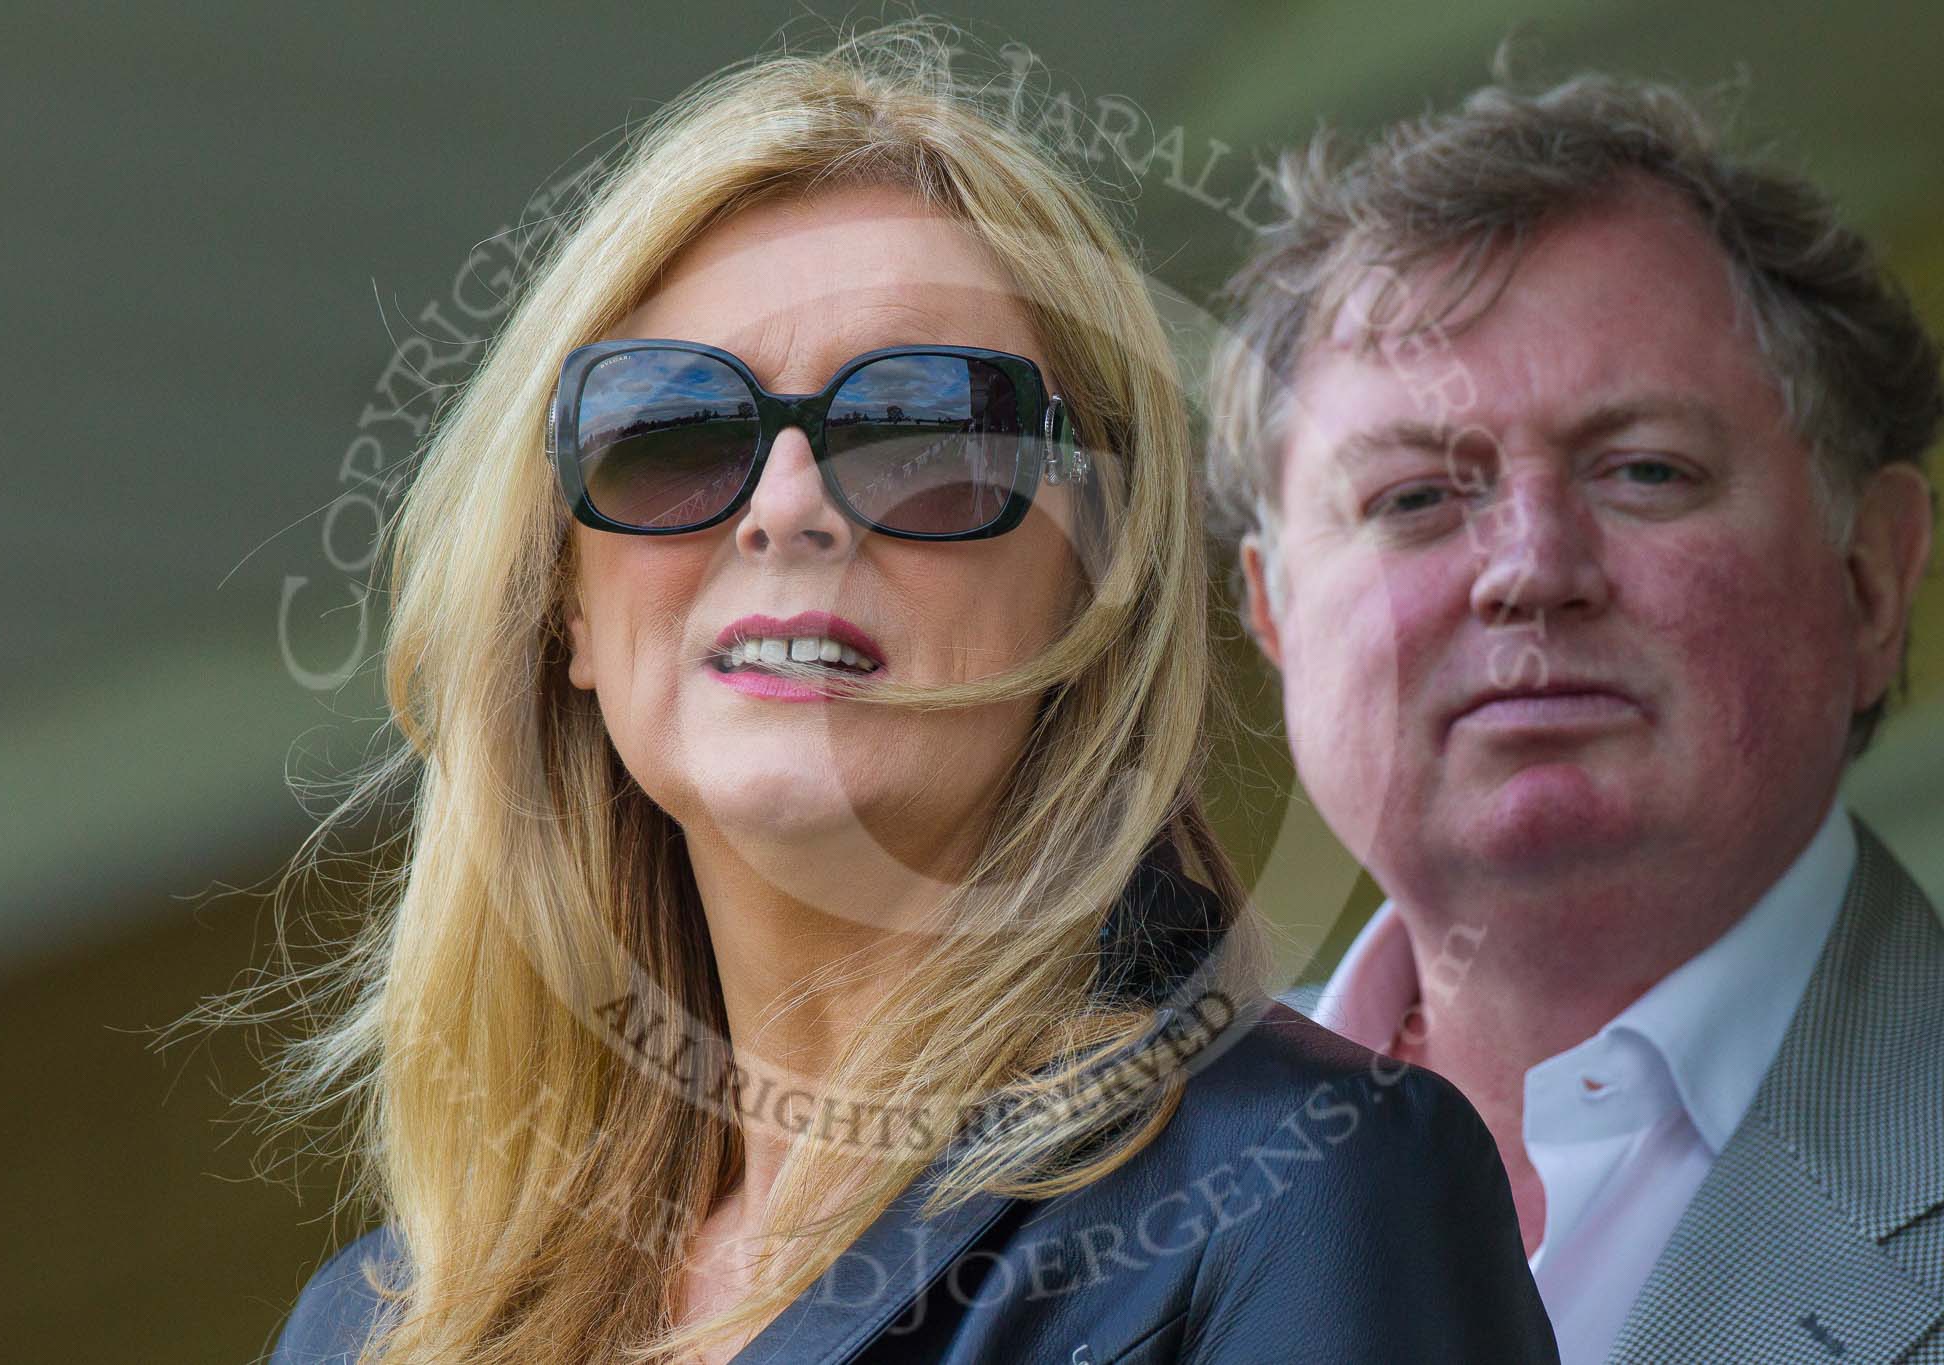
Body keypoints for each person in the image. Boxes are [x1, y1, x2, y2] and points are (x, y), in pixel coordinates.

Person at [254, 27, 1557, 1365]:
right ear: (571, 602)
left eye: (927, 431)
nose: (786, 510)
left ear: (1096, 583)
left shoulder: (1301, 1190)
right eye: (676, 434)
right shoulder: (379, 1327)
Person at [1207, 68, 1942, 1364]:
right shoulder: (1096, 1186)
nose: (1531, 564)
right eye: (1415, 498)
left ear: (1870, 578)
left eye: (1645, 469)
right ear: (1272, 615)